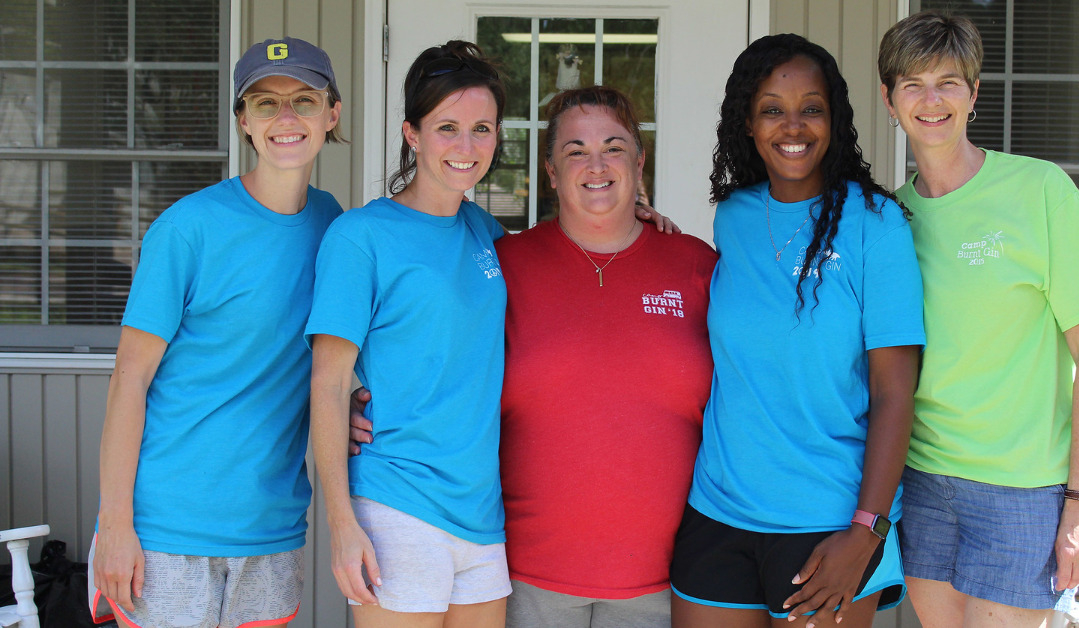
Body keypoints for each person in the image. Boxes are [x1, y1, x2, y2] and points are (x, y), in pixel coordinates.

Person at [669, 33, 924, 628]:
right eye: (772, 109)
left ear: (833, 118)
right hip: (717, 514)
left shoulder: (877, 225)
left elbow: (895, 393)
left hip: (827, 523)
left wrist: (866, 533)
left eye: (811, 107)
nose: (794, 125)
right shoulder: (733, 217)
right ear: (748, 124)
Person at [90, 36, 345, 628]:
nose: (286, 118)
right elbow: (129, 382)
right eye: (265, 103)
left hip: (270, 526)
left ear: (331, 115)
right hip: (166, 529)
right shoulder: (187, 229)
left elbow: (318, 359)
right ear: (243, 122)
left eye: (304, 101)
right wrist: (116, 525)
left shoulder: (335, 226)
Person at [877, 11, 1079, 627]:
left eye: (948, 82)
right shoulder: (888, 220)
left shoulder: (1041, 192)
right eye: (913, 84)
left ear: (974, 93)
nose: (931, 101)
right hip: (926, 482)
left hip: (1025, 492)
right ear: (889, 98)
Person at [306, 40, 512, 628]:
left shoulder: (487, 233)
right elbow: (328, 382)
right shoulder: (361, 237)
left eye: (482, 128)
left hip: (481, 514)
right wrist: (342, 524)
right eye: (447, 127)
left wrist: (642, 221)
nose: (466, 147)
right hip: (397, 504)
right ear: (412, 134)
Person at [499, 86, 716, 628]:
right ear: (550, 171)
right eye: (574, 150)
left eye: (614, 147)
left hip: (668, 580)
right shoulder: (504, 267)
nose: (595, 164)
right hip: (525, 578)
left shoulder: (695, 265)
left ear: (639, 162)